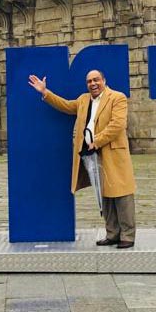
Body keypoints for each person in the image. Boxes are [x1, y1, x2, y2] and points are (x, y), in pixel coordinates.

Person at [28, 70, 138, 248]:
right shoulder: (83, 100)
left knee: (122, 194)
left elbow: (118, 124)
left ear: (104, 80)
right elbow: (65, 105)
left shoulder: (117, 97)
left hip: (112, 152)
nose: (93, 84)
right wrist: (45, 92)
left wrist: (97, 141)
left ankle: (128, 235)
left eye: (96, 80)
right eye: (89, 81)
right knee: (104, 194)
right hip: (93, 155)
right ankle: (113, 233)